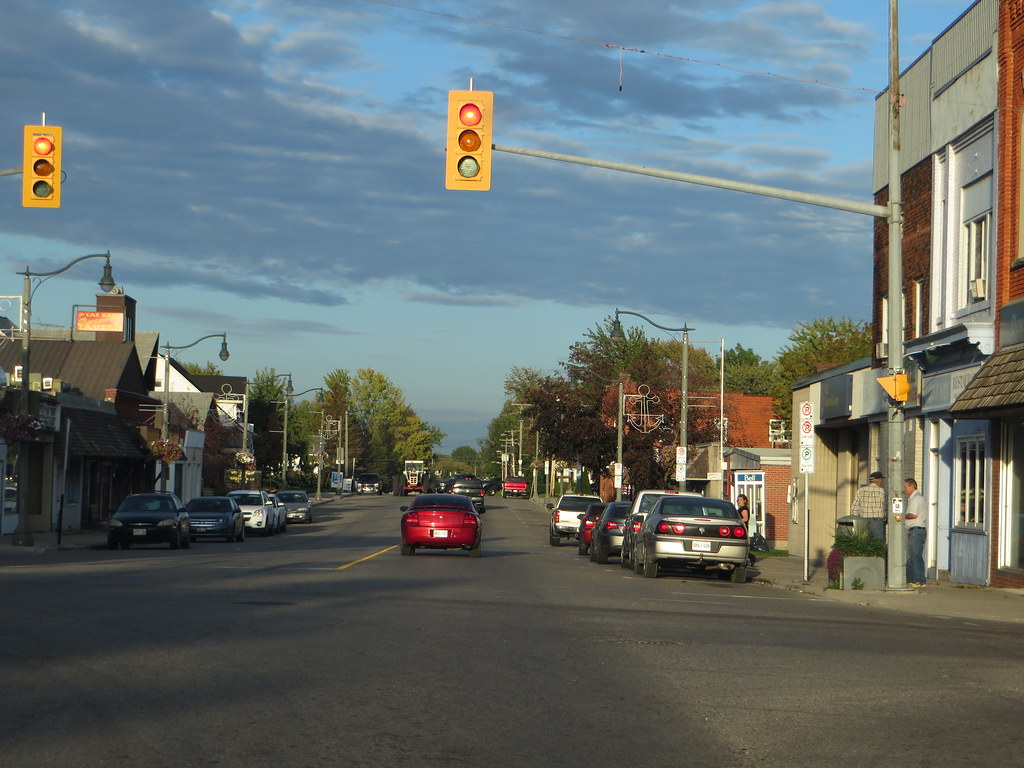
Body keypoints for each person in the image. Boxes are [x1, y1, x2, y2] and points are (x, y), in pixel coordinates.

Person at [904, 477, 927, 586]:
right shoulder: (919, 498)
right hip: (919, 530)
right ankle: (916, 579)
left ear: (912, 486)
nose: (905, 490)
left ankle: (917, 580)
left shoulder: (915, 499)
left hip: (916, 530)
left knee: (914, 556)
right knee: (915, 555)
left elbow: (913, 515)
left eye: (906, 487)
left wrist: (901, 516)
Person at [851, 471, 886, 541]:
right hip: (877, 521)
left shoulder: (860, 491)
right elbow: (886, 507)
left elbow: (854, 508)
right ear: (879, 480)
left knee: (864, 542)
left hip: (863, 521)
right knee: (878, 543)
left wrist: (857, 520)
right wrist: (885, 519)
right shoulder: (883, 491)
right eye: (882, 480)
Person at [736, 494, 755, 565]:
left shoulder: (744, 508)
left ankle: (751, 557)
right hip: (740, 528)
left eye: (740, 500)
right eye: (738, 500)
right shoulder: (740, 508)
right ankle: (749, 557)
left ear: (745, 501)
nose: (739, 501)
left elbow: (746, 519)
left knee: (742, 544)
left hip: (743, 528)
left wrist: (738, 520)